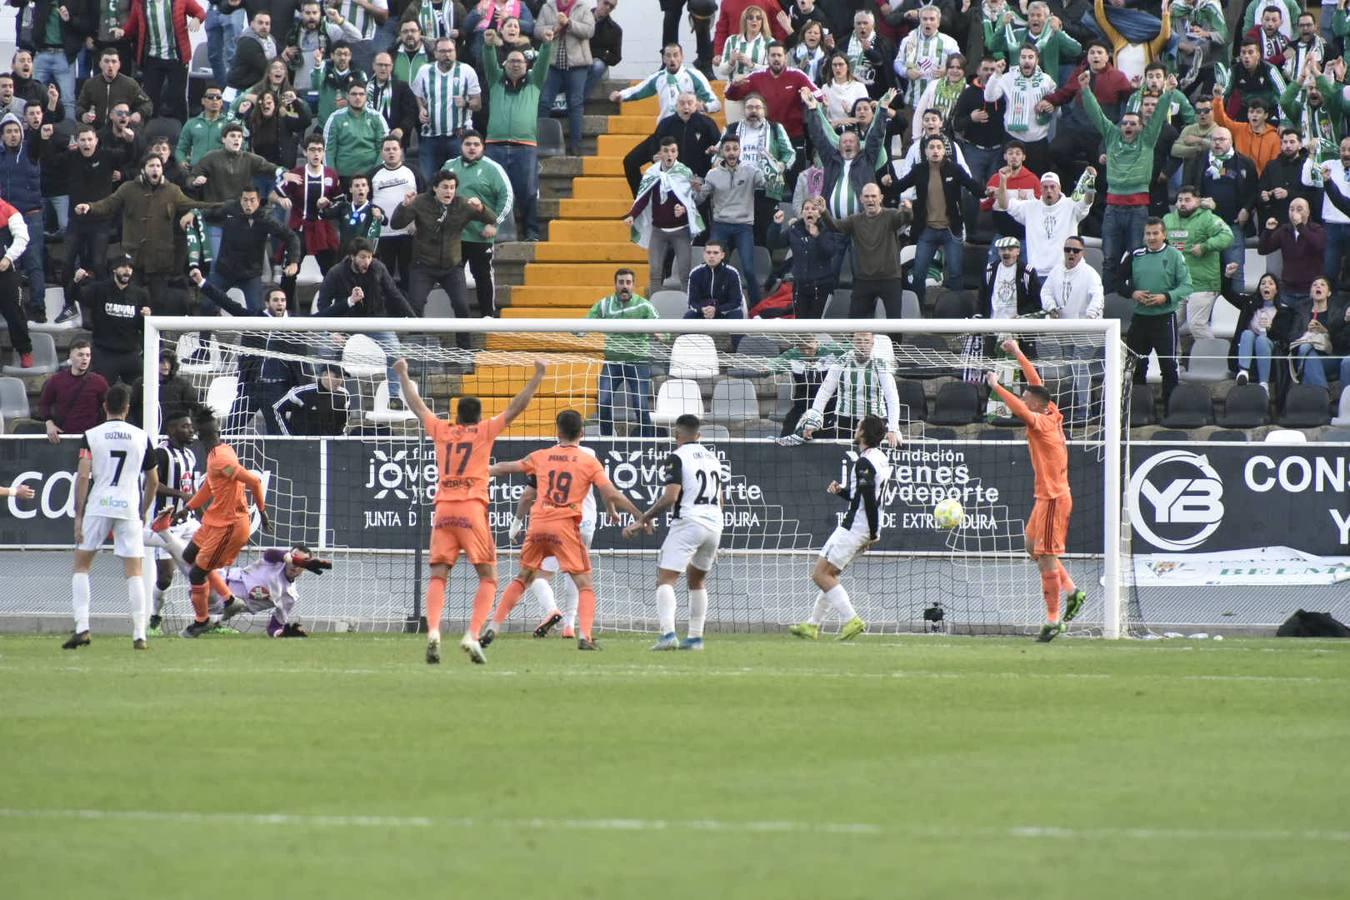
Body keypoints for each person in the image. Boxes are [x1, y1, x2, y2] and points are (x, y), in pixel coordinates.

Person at [392, 355, 545, 664]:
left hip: (443, 509)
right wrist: (538, 374)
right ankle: (472, 634)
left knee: (438, 574)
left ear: (456, 415)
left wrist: (403, 373)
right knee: (488, 576)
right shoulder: (484, 432)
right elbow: (517, 407)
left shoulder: (441, 430)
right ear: (478, 417)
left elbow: (417, 405)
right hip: (472, 509)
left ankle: (434, 630)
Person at [486, 409, 647, 652]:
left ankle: (492, 627)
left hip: (539, 524)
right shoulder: (588, 460)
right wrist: (640, 516)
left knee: (523, 578)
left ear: (557, 432)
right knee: (584, 584)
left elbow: (505, 468)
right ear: (582, 433)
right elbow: (611, 493)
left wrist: (480, 471)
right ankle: (584, 636)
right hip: (565, 526)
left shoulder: (541, 455)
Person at [983, 340, 1085, 642]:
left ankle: (1053, 620)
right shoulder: (1050, 410)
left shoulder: (1040, 421)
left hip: (1054, 498)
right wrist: (1017, 353)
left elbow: (1020, 408)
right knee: (1030, 545)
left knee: (1046, 556)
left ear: (1037, 406)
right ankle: (1072, 591)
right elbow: (1036, 383)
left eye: (1028, 399)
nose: (1024, 400)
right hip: (1046, 498)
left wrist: (996, 387)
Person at [63, 383, 160, 650]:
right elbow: (153, 481)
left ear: (105, 406)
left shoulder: (91, 435)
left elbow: (84, 475)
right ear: (127, 409)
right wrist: (144, 510)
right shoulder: (141, 437)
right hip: (129, 506)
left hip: (99, 504)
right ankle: (140, 634)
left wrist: (79, 515)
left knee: (82, 564)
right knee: (135, 571)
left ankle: (82, 627)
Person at [621, 413, 722, 651]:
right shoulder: (713, 459)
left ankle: (668, 635)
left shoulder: (676, 458)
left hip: (688, 522)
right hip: (714, 523)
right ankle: (695, 638)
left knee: (665, 580)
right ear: (699, 435)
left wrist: (642, 520)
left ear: (677, 435)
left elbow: (670, 498)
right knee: (697, 580)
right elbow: (721, 498)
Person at [788, 415, 889, 641]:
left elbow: (869, 500)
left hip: (856, 526)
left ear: (864, 433)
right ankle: (812, 625)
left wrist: (872, 532)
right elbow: (863, 496)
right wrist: (841, 491)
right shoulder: (879, 458)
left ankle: (851, 619)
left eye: (859, 426)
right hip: (863, 525)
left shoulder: (864, 462)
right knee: (830, 574)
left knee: (820, 575)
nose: (856, 429)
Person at [1080, 69, 1176, 295]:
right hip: (1113, 208)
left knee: (1137, 254)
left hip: (1138, 209)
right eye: (1125, 123)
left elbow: (1160, 111)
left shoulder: (1147, 139)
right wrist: (1085, 90)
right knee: (1110, 257)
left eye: (1133, 123)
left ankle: (1136, 297)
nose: (1128, 126)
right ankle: (1104, 301)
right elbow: (1097, 115)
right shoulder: (1112, 136)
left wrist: (1169, 93)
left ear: (1142, 127)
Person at [178, 405, 270, 638]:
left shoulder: (221, 460)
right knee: (188, 556)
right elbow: (210, 487)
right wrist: (188, 508)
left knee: (198, 573)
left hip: (229, 525)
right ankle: (229, 600)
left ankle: (202, 621)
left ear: (199, 434)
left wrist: (263, 511)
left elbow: (254, 482)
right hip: (214, 521)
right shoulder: (217, 453)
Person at [77, 153, 221, 295]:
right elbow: (108, 204)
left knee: (158, 301)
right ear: (143, 169)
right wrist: (90, 207)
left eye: (158, 166)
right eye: (151, 166)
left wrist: (224, 206)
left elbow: (194, 204)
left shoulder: (173, 191)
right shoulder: (128, 188)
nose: (155, 169)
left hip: (161, 260)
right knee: (132, 298)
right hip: (133, 258)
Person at [390, 171, 497, 338]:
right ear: (435, 188)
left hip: (452, 267)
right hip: (423, 266)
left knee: (462, 306)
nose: (449, 191)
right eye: (445, 187)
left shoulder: (462, 204)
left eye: (452, 187)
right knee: (415, 305)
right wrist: (404, 205)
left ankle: (464, 349)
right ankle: (417, 345)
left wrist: (481, 208)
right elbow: (396, 224)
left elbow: (492, 218)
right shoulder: (419, 202)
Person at [315, 238, 416, 400]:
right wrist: (333, 330)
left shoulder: (378, 268)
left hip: (375, 320)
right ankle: (319, 393)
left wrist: (413, 318)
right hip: (344, 323)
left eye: (369, 257)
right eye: (362, 257)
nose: (367, 261)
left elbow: (394, 294)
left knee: (394, 352)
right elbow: (323, 304)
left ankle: (394, 396)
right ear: (352, 256)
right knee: (324, 351)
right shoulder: (336, 272)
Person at [892, 136, 986, 307]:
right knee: (919, 273)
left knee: (956, 274)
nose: (935, 150)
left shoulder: (954, 169)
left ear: (944, 151)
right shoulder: (919, 170)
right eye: (931, 147)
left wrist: (988, 191)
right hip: (926, 230)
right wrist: (887, 182)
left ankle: (958, 310)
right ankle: (917, 309)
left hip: (951, 229)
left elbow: (973, 186)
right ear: (926, 152)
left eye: (938, 147)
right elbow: (898, 186)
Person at [482, 31, 554, 242]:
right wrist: (488, 46)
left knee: (529, 192)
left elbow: (543, 62)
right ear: (505, 64)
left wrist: (547, 44)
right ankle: (496, 231)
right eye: (512, 61)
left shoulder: (535, 82)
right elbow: (488, 61)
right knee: (494, 191)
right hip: (495, 145)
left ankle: (531, 232)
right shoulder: (495, 80)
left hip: (525, 147)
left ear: (527, 65)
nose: (516, 64)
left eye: (520, 61)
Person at [1123, 217, 1193, 405]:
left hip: (1165, 319)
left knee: (1169, 367)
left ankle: (1171, 409)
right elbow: (1116, 282)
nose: (1152, 237)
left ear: (1164, 235)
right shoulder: (1135, 255)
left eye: (1156, 233)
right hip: (1140, 319)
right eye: (1148, 234)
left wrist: (1166, 297)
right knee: (1135, 365)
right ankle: (1137, 408)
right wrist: (1133, 292)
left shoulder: (1175, 255)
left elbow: (1187, 286)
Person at [197, 187, 300, 314]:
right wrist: (193, 214)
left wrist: (294, 261)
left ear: (258, 201)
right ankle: (205, 335)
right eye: (245, 200)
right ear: (240, 200)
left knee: (257, 311)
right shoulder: (230, 209)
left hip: (250, 274)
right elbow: (208, 213)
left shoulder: (265, 219)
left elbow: (291, 237)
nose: (248, 204)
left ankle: (252, 335)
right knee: (207, 305)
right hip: (224, 270)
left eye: (252, 200)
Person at [624, 135, 702, 299]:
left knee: (684, 273)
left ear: (677, 153)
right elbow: (643, 197)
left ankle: (687, 308)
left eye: (672, 151)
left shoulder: (684, 172)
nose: (669, 155)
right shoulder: (652, 173)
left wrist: (684, 210)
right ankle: (655, 310)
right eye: (665, 151)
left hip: (681, 231)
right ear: (660, 154)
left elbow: (691, 202)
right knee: (654, 272)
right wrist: (633, 215)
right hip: (658, 231)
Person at [1183, 127, 1258, 296]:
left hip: (1233, 225)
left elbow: (1254, 191)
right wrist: (1199, 202)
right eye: (1214, 139)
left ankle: (1237, 313)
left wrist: (1246, 209)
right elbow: (1187, 190)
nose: (1217, 143)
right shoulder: (1199, 160)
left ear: (1231, 141)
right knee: (1208, 272)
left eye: (1222, 139)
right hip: (1206, 227)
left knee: (1235, 269)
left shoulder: (1244, 162)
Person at [143, 409, 198, 637]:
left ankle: (209, 618)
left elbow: (192, 490)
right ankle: (155, 617)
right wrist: (180, 495)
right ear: (171, 430)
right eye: (185, 426)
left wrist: (194, 509)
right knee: (166, 577)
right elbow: (153, 484)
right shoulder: (161, 453)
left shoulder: (191, 456)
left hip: (189, 523)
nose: (190, 430)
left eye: (191, 426)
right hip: (167, 525)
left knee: (205, 569)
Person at [816, 182, 907, 316]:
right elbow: (835, 226)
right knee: (855, 323)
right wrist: (824, 212)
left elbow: (905, 218)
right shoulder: (855, 220)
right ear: (861, 199)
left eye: (874, 196)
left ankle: (894, 339)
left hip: (890, 279)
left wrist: (907, 210)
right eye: (867, 196)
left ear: (881, 198)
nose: (870, 200)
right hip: (864, 280)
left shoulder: (891, 215)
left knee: (894, 324)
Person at [1040, 234, 1105, 417]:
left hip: (1088, 330)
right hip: (1065, 328)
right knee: (1069, 368)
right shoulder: (1056, 271)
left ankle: (1085, 410)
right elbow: (1045, 291)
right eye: (1068, 249)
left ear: (1082, 252)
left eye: (1075, 250)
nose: (1071, 253)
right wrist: (1051, 307)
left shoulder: (1090, 274)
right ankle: (1074, 404)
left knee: (1078, 364)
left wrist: (1091, 316)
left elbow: (1098, 297)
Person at [587, 268, 657, 436]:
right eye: (621, 282)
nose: (624, 286)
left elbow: (664, 331)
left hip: (638, 361)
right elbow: (585, 323)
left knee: (640, 405)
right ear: (615, 284)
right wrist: (580, 330)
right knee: (603, 402)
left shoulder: (645, 306)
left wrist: (660, 333)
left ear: (633, 285)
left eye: (628, 282)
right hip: (612, 361)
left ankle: (645, 441)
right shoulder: (604, 305)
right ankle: (607, 439)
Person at [799, 332, 902, 444]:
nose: (862, 345)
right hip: (845, 420)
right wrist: (812, 419)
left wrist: (893, 428)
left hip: (874, 421)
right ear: (852, 342)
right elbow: (825, 391)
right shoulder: (842, 362)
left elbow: (891, 397)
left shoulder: (881, 365)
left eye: (866, 341)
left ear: (872, 343)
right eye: (858, 341)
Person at [276, 135, 343, 308]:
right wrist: (280, 200)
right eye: (312, 150)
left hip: (322, 229)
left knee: (331, 273)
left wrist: (327, 204)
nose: (316, 154)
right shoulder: (296, 174)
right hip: (299, 229)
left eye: (320, 150)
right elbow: (273, 193)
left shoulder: (331, 175)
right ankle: (286, 316)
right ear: (305, 152)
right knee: (290, 273)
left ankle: (334, 311)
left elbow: (340, 202)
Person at [211, 546, 332, 637]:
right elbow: (270, 553)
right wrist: (293, 559)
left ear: (307, 567)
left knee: (207, 621)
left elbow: (274, 627)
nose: (295, 565)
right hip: (217, 580)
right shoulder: (275, 562)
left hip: (218, 608)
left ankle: (211, 624)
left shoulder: (289, 596)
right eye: (295, 559)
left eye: (302, 563)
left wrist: (283, 633)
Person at [1163, 185, 1234, 339]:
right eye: (1180, 200)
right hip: (1178, 284)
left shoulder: (1208, 218)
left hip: (1202, 283)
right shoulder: (1168, 220)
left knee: (1196, 324)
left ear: (1198, 201)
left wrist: (1205, 246)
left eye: (1187, 200)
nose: (1183, 203)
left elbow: (1228, 235)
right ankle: (1174, 361)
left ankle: (1215, 360)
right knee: (1168, 324)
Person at [996, 169, 1093, 278]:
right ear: (1040, 189)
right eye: (1045, 187)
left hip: (1065, 272)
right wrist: (1003, 181)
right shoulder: (1029, 207)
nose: (1049, 190)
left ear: (1059, 188)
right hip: (1037, 274)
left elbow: (1087, 202)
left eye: (1052, 187)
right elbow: (1004, 204)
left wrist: (1090, 183)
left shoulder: (1071, 205)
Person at [69, 257, 151, 386]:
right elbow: (77, 297)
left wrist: (147, 317)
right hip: (105, 352)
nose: (127, 271)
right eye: (123, 267)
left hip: (130, 352)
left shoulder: (140, 294)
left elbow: (143, 327)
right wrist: (76, 281)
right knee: (99, 391)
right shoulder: (99, 289)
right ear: (114, 269)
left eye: (130, 268)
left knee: (143, 389)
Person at [622, 91, 722, 196]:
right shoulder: (666, 124)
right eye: (682, 103)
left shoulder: (707, 124)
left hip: (698, 179)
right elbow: (654, 144)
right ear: (676, 105)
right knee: (630, 161)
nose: (686, 106)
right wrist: (654, 156)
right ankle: (641, 201)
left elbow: (720, 147)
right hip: (672, 179)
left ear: (696, 104)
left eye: (690, 103)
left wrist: (715, 154)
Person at [411, 36, 482, 184]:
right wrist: (421, 109)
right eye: (442, 51)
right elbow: (417, 95)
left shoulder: (466, 71)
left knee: (458, 182)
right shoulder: (424, 71)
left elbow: (478, 103)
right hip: (430, 137)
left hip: (458, 137)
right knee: (428, 182)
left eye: (450, 51)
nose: (447, 55)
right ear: (435, 53)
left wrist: (467, 103)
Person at [125, 0, 207, 121]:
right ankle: (150, 129)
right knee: (150, 97)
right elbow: (132, 24)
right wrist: (123, 32)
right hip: (153, 56)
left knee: (177, 97)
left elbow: (200, 12)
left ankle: (181, 130)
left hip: (176, 57)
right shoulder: (140, 3)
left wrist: (197, 19)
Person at [982, 47, 1056, 175]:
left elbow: (1056, 105)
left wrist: (1052, 106)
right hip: (1013, 138)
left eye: (1030, 57)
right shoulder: (1008, 78)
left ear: (1037, 60)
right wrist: (996, 74)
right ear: (1019, 59)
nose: (1027, 61)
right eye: (1023, 57)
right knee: (1009, 180)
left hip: (1038, 141)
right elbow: (989, 97)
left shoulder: (1046, 80)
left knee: (1036, 182)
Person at [535, 0, 595, 155]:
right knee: (544, 101)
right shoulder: (547, 7)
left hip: (578, 64)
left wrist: (569, 23)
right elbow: (537, 30)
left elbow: (589, 31)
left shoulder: (583, 8)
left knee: (575, 103)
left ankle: (576, 144)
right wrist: (552, 28)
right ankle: (539, 141)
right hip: (552, 64)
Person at [769, 199, 845, 318]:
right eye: (806, 209)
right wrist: (776, 225)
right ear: (802, 213)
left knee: (814, 327)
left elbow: (830, 252)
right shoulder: (795, 229)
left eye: (813, 209)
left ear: (819, 213)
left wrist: (817, 236)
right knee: (801, 327)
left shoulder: (826, 229)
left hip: (821, 286)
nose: (809, 212)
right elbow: (774, 243)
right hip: (800, 286)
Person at [611, 43, 721, 123]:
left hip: (690, 126)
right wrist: (620, 95)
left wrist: (705, 107)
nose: (672, 59)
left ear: (682, 57)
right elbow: (637, 90)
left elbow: (716, 104)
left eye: (675, 55)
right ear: (663, 59)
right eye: (668, 56)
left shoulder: (694, 76)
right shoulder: (658, 78)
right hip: (666, 128)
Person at [369, 136, 423, 292]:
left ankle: (410, 313)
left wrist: (419, 224)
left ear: (401, 151)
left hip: (409, 233)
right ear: (381, 152)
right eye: (387, 149)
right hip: (383, 235)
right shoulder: (373, 174)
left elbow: (426, 200)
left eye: (394, 149)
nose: (391, 152)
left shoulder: (413, 171)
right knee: (383, 278)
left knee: (409, 277)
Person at [1284, 276, 1350, 389]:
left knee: (1308, 363)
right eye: (1314, 285)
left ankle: (1319, 394)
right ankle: (1322, 392)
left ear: (1329, 293)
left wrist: (1326, 332)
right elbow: (1291, 337)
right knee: (1305, 349)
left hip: (1330, 357)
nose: (1318, 286)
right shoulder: (1301, 312)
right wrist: (1306, 333)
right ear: (1310, 292)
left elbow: (1342, 341)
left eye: (1322, 284)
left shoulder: (1337, 312)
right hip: (1306, 356)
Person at [40, 340, 110, 443]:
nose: (85, 358)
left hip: (91, 438)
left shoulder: (99, 382)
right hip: (63, 437)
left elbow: (109, 406)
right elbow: (44, 404)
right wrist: (49, 424)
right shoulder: (56, 380)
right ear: (71, 357)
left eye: (88, 355)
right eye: (80, 355)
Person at [894, 5, 959, 112]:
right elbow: (898, 62)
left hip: (939, 101)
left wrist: (947, 70)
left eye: (932, 19)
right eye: (924, 19)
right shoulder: (908, 40)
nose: (928, 22)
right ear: (920, 21)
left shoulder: (949, 42)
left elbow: (959, 64)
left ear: (938, 22)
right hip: (913, 101)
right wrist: (906, 71)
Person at [324, 82, 391, 185]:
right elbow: (328, 150)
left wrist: (376, 174)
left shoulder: (377, 118)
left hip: (371, 176)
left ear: (366, 96)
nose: (358, 97)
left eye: (361, 94)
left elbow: (384, 148)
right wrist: (332, 176)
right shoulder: (335, 118)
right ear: (347, 96)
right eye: (354, 94)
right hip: (343, 176)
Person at [76, 47, 153, 128]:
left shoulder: (130, 84)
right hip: (97, 131)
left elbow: (147, 103)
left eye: (114, 61)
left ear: (119, 64)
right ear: (100, 64)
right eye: (106, 61)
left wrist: (139, 113)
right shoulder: (90, 84)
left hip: (122, 130)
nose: (110, 65)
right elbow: (79, 106)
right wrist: (83, 115)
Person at [1231, 272, 1282, 391]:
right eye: (1263, 283)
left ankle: (1264, 383)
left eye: (1270, 283)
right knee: (1247, 333)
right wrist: (1228, 276)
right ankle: (1243, 372)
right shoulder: (1249, 304)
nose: (1266, 286)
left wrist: (1271, 327)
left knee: (1262, 340)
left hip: (1270, 354)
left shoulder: (1283, 311)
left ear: (1277, 290)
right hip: (1249, 350)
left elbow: (1284, 336)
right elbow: (1228, 293)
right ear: (1259, 288)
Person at [0, 195, 33, 366]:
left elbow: (22, 238)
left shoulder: (9, 211)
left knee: (15, 312)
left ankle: (25, 351)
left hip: (6, 271)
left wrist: (7, 258)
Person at [272, 366, 352, 435]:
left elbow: (344, 420)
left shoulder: (344, 394)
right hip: (303, 444)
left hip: (330, 444)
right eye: (337, 376)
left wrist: (340, 437)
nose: (340, 381)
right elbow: (277, 408)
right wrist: (289, 435)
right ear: (325, 375)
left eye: (342, 377)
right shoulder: (303, 392)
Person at [683, 240, 745, 327]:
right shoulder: (695, 273)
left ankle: (737, 341)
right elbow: (691, 302)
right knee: (689, 317)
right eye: (708, 252)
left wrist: (716, 310)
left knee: (737, 315)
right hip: (703, 312)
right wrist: (702, 309)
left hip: (724, 312)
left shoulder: (732, 273)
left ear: (722, 255)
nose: (711, 256)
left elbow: (736, 302)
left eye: (715, 253)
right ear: (704, 255)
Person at [979, 236, 1041, 321]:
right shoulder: (989, 270)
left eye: (1010, 249)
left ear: (1018, 251)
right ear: (998, 251)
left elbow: (1036, 302)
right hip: (993, 324)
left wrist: (1022, 317)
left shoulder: (1027, 272)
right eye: (1003, 249)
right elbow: (982, 298)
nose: (1006, 252)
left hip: (1017, 327)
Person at [366, 52, 419, 149]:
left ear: (391, 67)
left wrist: (402, 129)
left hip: (395, 142)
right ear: (373, 66)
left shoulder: (402, 87)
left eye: (386, 65)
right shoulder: (365, 88)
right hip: (368, 140)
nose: (383, 68)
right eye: (380, 65)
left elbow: (411, 113)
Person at [228, 9, 279, 95]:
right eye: (260, 23)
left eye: (267, 23)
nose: (264, 26)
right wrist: (281, 64)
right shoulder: (247, 42)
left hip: (256, 88)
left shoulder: (270, 40)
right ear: (252, 24)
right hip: (240, 90)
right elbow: (264, 66)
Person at [588, 0, 622, 98]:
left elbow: (616, 57)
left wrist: (599, 53)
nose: (607, 8)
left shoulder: (615, 30)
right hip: (579, 60)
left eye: (611, 7)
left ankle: (577, 99)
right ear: (598, 1)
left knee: (597, 66)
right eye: (606, 3)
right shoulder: (581, 18)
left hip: (597, 64)